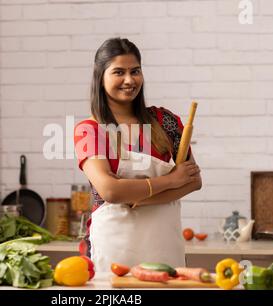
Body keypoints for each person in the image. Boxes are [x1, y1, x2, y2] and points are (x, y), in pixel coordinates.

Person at [74, 38, 202, 272]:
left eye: (135, 71)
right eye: (118, 72)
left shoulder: (166, 122)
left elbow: (194, 181)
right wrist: (171, 181)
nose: (129, 80)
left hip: (165, 249)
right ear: (100, 77)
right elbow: (111, 191)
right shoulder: (90, 130)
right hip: (114, 252)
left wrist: (139, 198)